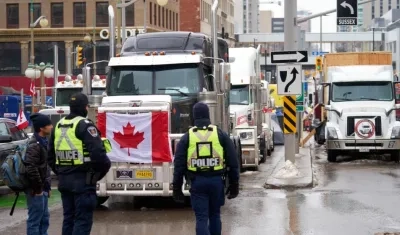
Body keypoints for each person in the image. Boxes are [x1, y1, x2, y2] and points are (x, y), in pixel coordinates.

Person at [48, 93, 111, 235]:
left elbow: (50, 157)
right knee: (82, 221)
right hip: (83, 183)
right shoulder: (86, 125)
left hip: (65, 181)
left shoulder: (58, 125)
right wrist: (96, 176)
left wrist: (62, 172)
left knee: (68, 219)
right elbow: (99, 156)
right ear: (85, 107)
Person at [172, 102, 240, 235]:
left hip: (197, 182)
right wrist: (234, 184)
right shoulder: (220, 134)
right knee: (215, 215)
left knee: (201, 218)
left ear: (194, 116)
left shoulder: (188, 137)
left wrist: (176, 187)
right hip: (216, 181)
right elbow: (233, 161)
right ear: (208, 115)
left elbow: (179, 164)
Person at [24, 113, 53, 235]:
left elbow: (44, 167)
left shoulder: (43, 141)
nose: (51, 127)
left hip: (43, 188)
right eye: (49, 125)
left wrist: (48, 187)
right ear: (41, 128)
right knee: (35, 220)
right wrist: (38, 189)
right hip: (35, 190)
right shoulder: (34, 145)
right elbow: (31, 167)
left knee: (44, 219)